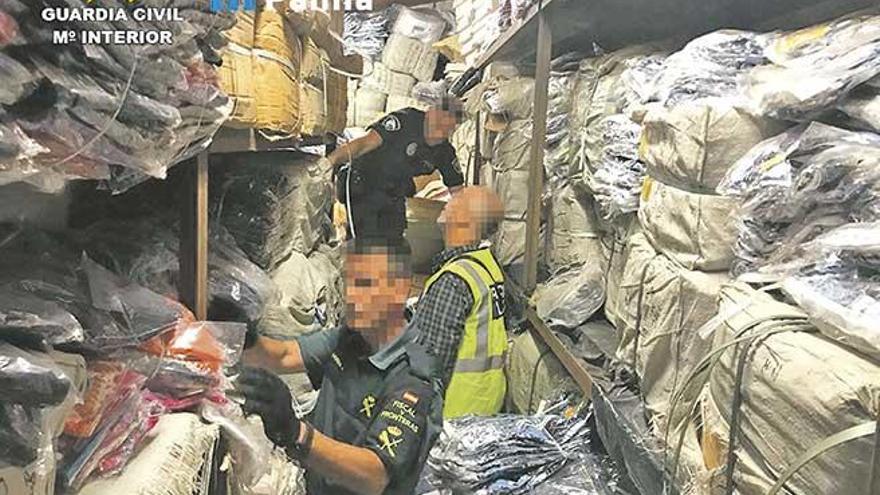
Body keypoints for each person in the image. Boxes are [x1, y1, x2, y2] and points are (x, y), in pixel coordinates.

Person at [236, 238, 443, 495]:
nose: (352, 296)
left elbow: (374, 475)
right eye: (349, 282)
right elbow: (283, 355)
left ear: (400, 289)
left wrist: (296, 432)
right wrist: (238, 330)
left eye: (365, 284)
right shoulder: (348, 339)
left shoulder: (413, 379)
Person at [411, 186, 508, 419]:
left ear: (465, 220)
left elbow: (429, 364)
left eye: (457, 200)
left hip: (451, 414)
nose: (448, 201)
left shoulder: (454, 280)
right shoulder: (486, 266)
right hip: (484, 408)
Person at [320, 96, 466, 239]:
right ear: (430, 113)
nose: (439, 133)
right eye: (438, 125)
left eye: (447, 129)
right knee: (367, 243)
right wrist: (331, 160)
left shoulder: (445, 152)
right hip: (364, 184)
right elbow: (364, 144)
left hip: (394, 192)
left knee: (394, 242)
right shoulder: (406, 121)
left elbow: (457, 191)